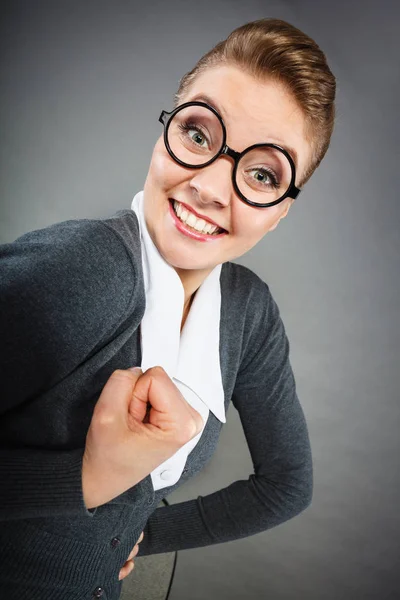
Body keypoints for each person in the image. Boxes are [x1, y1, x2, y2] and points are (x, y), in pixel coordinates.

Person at [0, 17, 336, 600]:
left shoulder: (247, 312)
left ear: (280, 210)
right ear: (164, 134)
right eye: (200, 136)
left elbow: (288, 486)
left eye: (261, 174)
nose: (210, 186)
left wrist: (144, 533)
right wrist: (85, 479)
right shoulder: (86, 269)